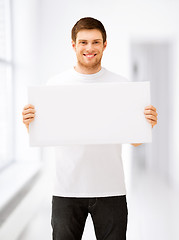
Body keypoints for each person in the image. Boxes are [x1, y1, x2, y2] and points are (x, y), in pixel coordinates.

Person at [22, 17, 158, 240]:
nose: (89, 48)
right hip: (66, 190)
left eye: (96, 42)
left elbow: (135, 140)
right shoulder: (56, 85)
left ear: (105, 45)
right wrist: (30, 124)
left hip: (111, 189)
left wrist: (147, 123)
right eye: (83, 42)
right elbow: (45, 136)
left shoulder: (122, 85)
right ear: (74, 45)